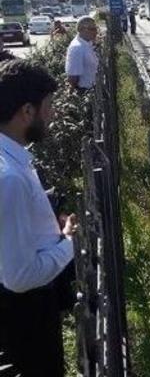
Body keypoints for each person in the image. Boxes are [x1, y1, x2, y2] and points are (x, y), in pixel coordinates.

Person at [0, 59, 78, 376]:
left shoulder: (13, 156)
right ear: (27, 112)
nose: (53, 114)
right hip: (25, 315)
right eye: (49, 106)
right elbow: (20, 277)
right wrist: (71, 243)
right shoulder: (10, 178)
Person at [65, 17, 99, 90]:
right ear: (82, 29)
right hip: (84, 91)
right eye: (93, 29)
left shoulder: (86, 43)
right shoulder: (77, 48)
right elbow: (73, 77)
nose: (96, 32)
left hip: (93, 89)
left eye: (96, 28)